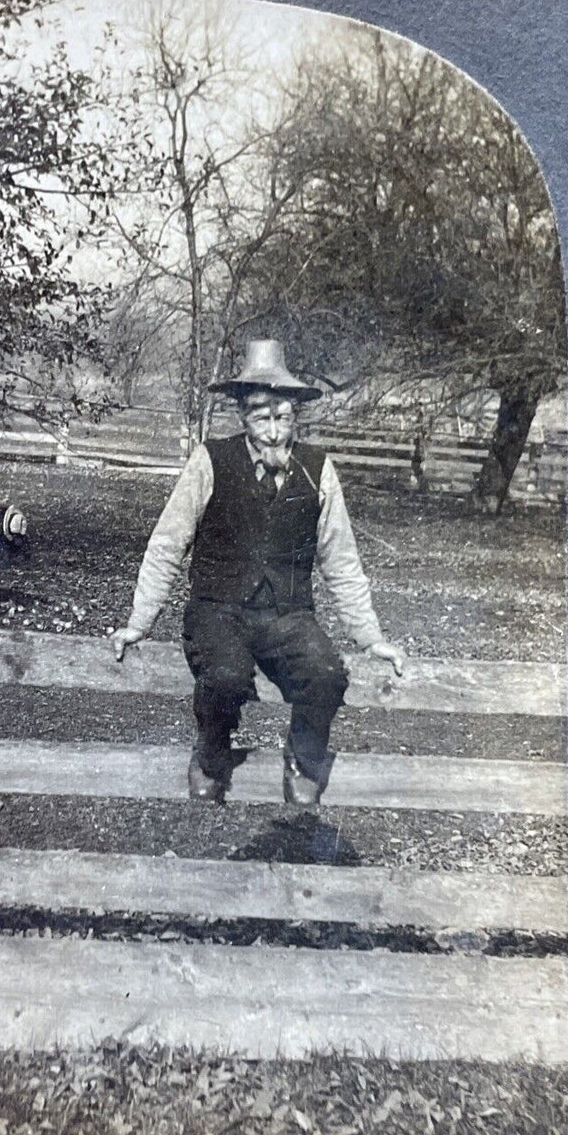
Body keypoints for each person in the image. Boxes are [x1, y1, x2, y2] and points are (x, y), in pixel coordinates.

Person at [108, 340, 405, 805]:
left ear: (295, 419)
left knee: (326, 676)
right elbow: (167, 545)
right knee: (225, 678)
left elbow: (341, 561)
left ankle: (303, 759)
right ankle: (210, 753)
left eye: (283, 418)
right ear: (243, 418)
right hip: (217, 610)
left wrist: (371, 637)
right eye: (261, 418)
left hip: (287, 616)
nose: (273, 433)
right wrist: (138, 622)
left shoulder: (318, 471)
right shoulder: (209, 462)